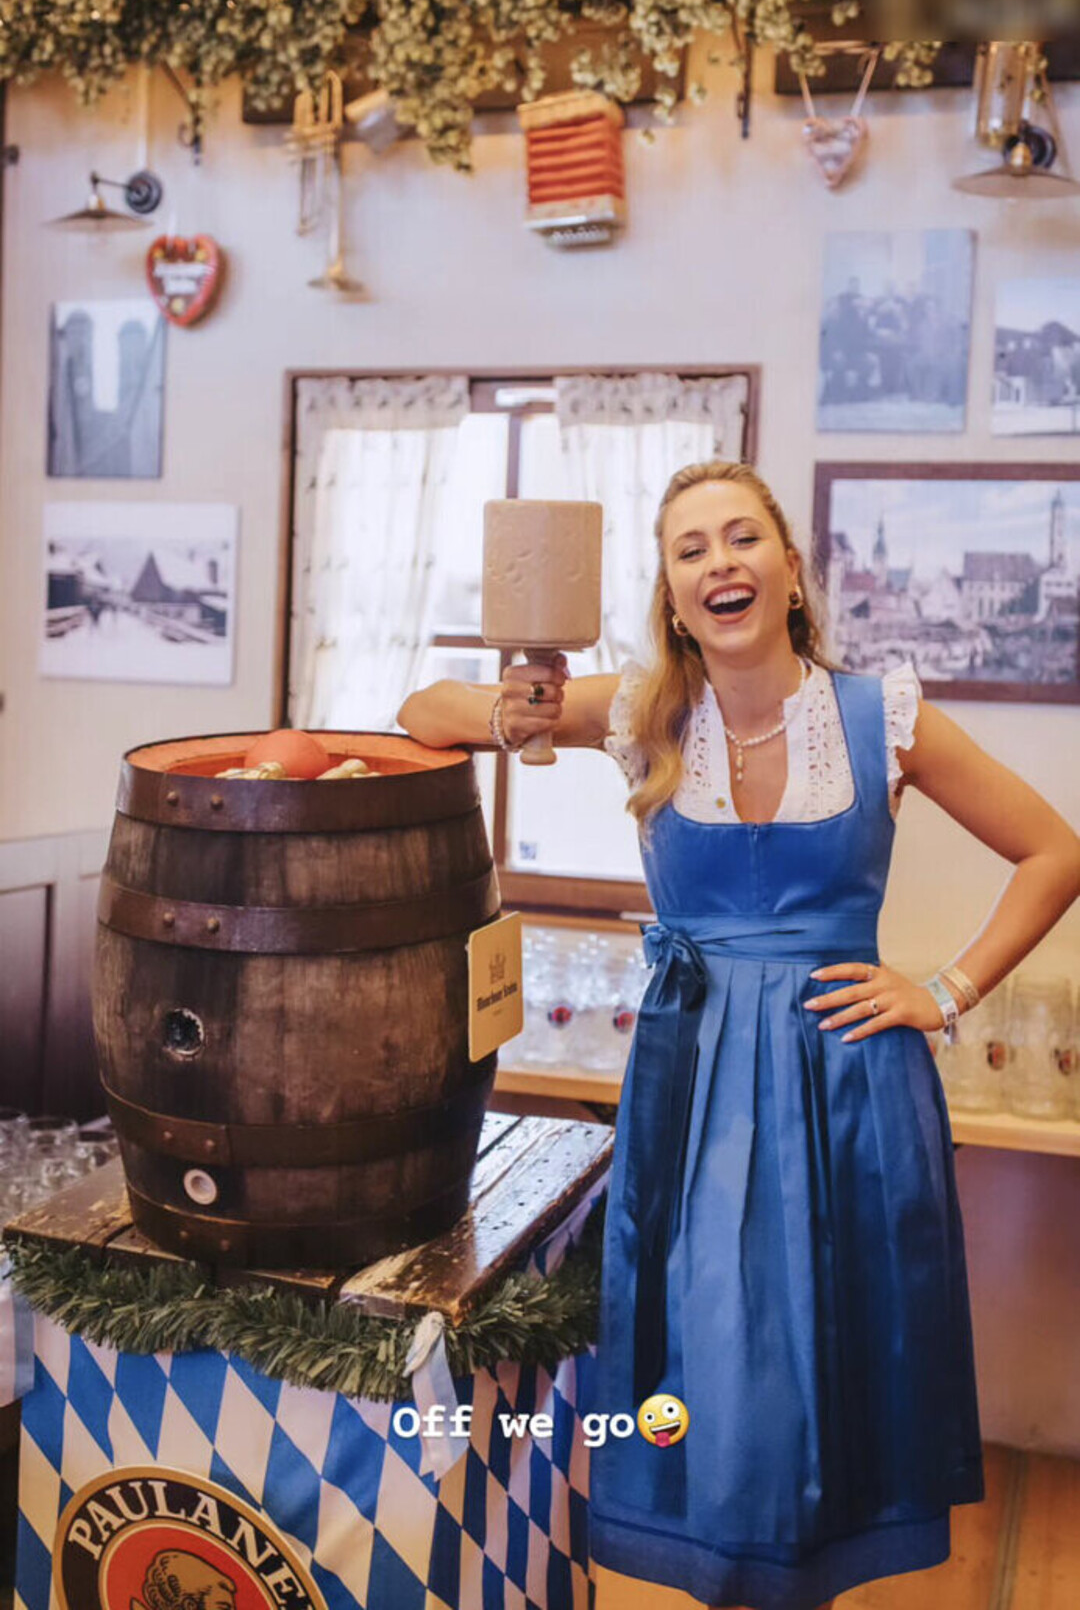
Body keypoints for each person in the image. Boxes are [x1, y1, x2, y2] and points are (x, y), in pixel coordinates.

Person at [396, 460, 1080, 1610]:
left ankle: (817, 1576)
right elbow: (422, 715)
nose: (720, 561)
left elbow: (1056, 851)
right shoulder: (642, 712)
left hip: (850, 1080)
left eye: (742, 537)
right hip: (697, 1077)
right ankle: (722, 1573)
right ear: (672, 595)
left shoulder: (883, 715)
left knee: (840, 1347)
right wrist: (521, 708)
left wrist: (945, 991)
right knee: (717, 1345)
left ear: (789, 570)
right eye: (691, 548)